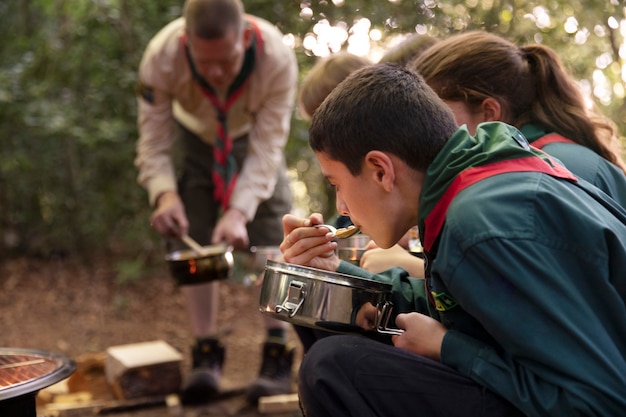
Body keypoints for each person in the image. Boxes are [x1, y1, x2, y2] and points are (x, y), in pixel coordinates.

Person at [280, 63, 626, 417]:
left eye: (337, 184)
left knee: (336, 369)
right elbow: (463, 307)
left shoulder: (482, 226)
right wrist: (335, 271)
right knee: (334, 328)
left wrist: (449, 348)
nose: (342, 207)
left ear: (381, 170)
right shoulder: (475, 183)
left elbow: (597, 404)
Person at [134, 0, 298, 405]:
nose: (217, 73)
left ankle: (276, 352)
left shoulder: (277, 57)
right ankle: (206, 353)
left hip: (253, 142)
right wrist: (165, 194)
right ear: (186, 42)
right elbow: (153, 140)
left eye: (226, 60)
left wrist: (240, 211)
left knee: (270, 239)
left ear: (244, 37)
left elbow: (268, 146)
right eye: (205, 63)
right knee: (196, 243)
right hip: (196, 141)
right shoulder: (161, 57)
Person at [411, 30, 626, 206]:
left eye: (434, 113)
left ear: (488, 115)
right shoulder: (542, 164)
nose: (426, 129)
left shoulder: (542, 177)